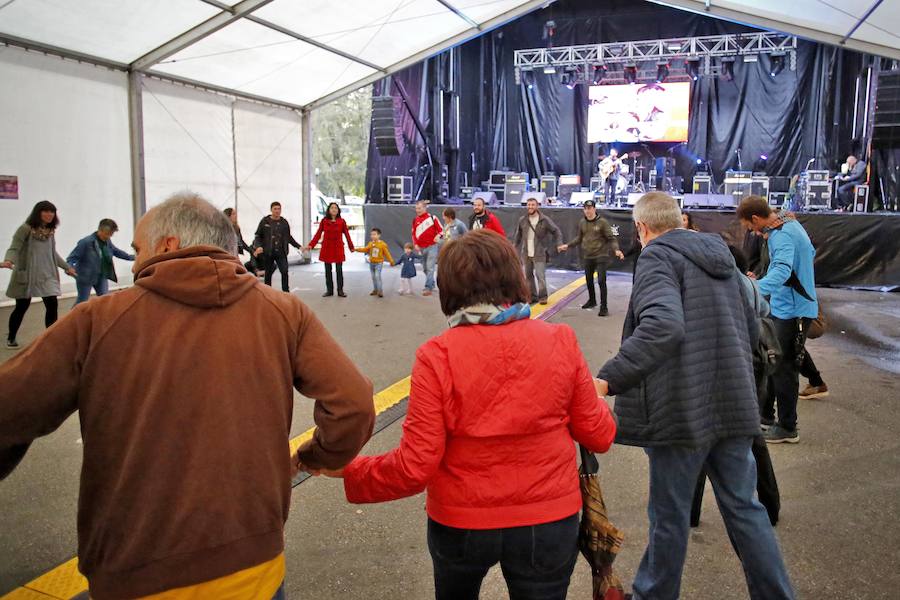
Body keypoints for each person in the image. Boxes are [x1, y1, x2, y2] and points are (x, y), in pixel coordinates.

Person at [0, 192, 375, 599]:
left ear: (168, 246)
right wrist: (312, 458)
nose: (136, 259)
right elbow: (352, 402)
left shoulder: (97, 320)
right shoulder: (284, 311)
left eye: (138, 249)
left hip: (134, 575)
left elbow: (9, 407)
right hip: (256, 567)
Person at [300, 229, 617, 600]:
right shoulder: (559, 340)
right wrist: (592, 397)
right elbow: (599, 435)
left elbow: (415, 466)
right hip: (547, 519)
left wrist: (352, 469)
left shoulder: (438, 355)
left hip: (461, 520)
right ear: (514, 277)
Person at [596, 193, 795, 600]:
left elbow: (663, 327)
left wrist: (608, 379)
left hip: (681, 411)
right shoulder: (722, 258)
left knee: (669, 517)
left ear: (641, 228)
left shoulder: (656, 258)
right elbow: (755, 317)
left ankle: (654, 594)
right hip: (734, 404)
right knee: (745, 508)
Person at [691, 244, 781, 529]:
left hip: (724, 363)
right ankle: (771, 505)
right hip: (755, 363)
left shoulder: (720, 284)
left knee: (702, 433)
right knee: (753, 436)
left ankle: (690, 513)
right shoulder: (750, 284)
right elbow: (765, 310)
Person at [737, 195, 818, 444]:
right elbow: (800, 259)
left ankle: (787, 427)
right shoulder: (787, 223)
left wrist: (755, 288)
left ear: (756, 218)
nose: (752, 232)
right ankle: (767, 417)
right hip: (786, 307)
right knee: (773, 362)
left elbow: (783, 270)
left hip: (794, 311)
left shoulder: (781, 234)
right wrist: (761, 277)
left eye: (750, 227)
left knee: (784, 368)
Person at [1, 200, 76, 348]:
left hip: (47, 275)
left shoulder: (50, 231)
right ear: (38, 213)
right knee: (22, 306)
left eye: (52, 211)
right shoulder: (25, 229)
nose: (49, 214)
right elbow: (14, 248)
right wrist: (8, 260)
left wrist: (67, 267)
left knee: (52, 304)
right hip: (28, 276)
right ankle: (11, 337)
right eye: (45, 211)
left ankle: (51, 337)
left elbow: (52, 253)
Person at [558, 200, 624, 316]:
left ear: (594, 209)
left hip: (601, 255)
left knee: (601, 281)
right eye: (586, 209)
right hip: (588, 255)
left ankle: (604, 307)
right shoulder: (582, 222)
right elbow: (579, 238)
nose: (588, 211)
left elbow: (611, 238)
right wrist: (567, 246)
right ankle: (592, 301)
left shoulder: (602, 222)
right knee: (588, 280)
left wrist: (616, 250)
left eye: (590, 208)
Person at [66, 219, 135, 305]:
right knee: (82, 301)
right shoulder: (86, 242)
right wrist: (70, 267)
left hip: (102, 275)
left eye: (111, 234)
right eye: (107, 234)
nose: (108, 236)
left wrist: (133, 257)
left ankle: (103, 318)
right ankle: (73, 318)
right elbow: (72, 257)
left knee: (104, 300)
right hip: (85, 277)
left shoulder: (107, 241)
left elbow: (116, 252)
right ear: (100, 230)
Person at [513, 198, 563, 305]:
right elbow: (518, 235)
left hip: (539, 253)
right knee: (528, 276)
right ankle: (532, 296)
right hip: (526, 253)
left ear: (537, 206)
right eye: (529, 205)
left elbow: (556, 231)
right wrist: (513, 247)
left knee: (540, 276)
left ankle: (543, 296)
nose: (530, 207)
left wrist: (559, 243)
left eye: (532, 205)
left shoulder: (544, 220)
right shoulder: (522, 220)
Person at [253, 201, 302, 292]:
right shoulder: (265, 222)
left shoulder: (284, 222)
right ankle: (267, 291)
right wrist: (258, 246)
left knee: (284, 271)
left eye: (279, 209)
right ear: (271, 210)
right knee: (268, 273)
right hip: (268, 252)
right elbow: (258, 235)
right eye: (275, 209)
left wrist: (298, 246)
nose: (277, 211)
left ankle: (286, 291)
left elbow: (289, 237)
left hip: (281, 252)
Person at [309, 202, 354, 297]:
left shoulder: (342, 221)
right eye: (332, 208)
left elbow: (347, 234)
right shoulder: (324, 221)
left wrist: (351, 247)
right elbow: (318, 234)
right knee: (327, 270)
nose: (334, 209)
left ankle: (340, 290)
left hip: (338, 248)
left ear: (338, 211)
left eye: (336, 208)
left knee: (339, 270)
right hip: (327, 248)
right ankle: (329, 290)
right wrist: (311, 245)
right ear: (329, 210)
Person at [411, 201, 443, 297]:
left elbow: (442, 230)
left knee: (430, 267)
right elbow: (413, 233)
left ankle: (428, 287)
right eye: (416, 208)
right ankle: (432, 283)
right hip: (421, 248)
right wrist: (415, 244)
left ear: (425, 208)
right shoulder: (415, 220)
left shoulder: (433, 218)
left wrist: (438, 236)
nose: (418, 210)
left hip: (432, 246)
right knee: (425, 268)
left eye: (420, 208)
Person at [355, 227, 395, 298]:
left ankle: (380, 291)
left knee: (377, 276)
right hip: (371, 263)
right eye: (371, 235)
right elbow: (365, 249)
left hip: (379, 263)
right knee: (373, 277)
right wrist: (356, 249)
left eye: (374, 234)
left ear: (379, 235)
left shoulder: (382, 244)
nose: (373, 236)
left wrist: (391, 261)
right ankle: (375, 290)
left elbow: (387, 253)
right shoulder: (370, 243)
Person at [224, 207, 260, 275]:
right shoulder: (224, 228)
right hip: (227, 254)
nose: (236, 216)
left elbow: (241, 242)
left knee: (238, 271)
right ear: (228, 216)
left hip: (235, 254)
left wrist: (251, 251)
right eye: (233, 214)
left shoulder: (236, 228)